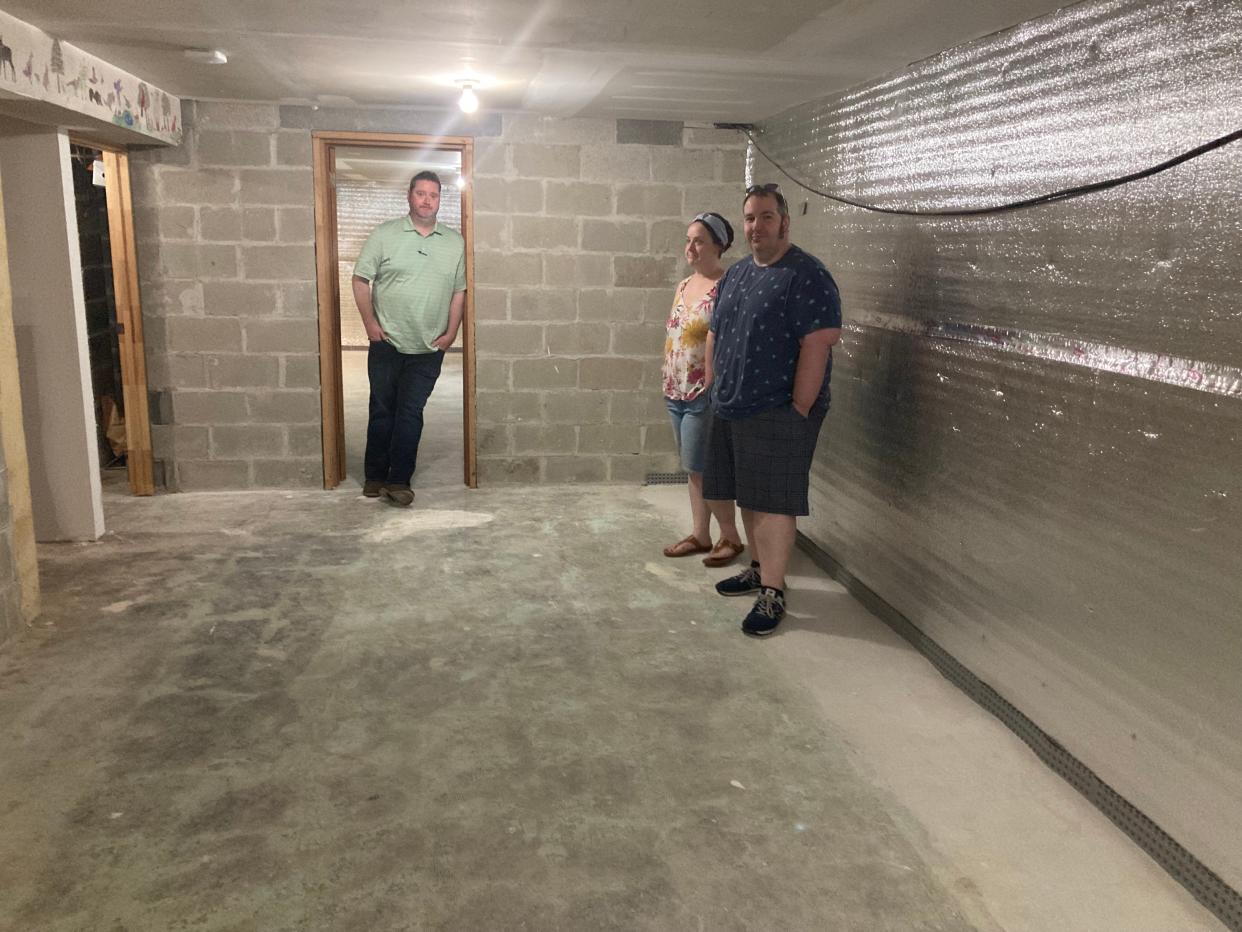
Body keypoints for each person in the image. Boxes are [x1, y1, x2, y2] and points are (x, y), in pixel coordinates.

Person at [703, 184, 842, 636]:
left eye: (765, 216)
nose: (756, 226)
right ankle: (758, 568)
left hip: (778, 409)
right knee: (748, 494)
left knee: (775, 503)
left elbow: (817, 344)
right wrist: (713, 385)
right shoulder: (738, 274)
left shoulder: (807, 275)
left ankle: (774, 590)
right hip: (732, 404)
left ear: (785, 221)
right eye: (749, 218)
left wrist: (798, 409)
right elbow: (715, 332)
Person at [352, 170, 466, 507]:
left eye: (434, 194)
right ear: (409, 196)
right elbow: (361, 280)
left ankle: (399, 479)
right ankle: (375, 475)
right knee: (383, 409)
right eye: (421, 193)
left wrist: (450, 333)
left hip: (429, 347)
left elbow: (459, 292)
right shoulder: (385, 235)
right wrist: (370, 325)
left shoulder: (454, 242)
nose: (427, 200)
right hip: (386, 342)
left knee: (410, 412)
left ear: (440, 200)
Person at [661, 212, 745, 567]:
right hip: (674, 388)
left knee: (706, 468)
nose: (690, 247)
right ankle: (700, 534)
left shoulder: (727, 286)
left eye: (699, 241)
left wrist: (714, 383)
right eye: (688, 240)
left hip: (703, 391)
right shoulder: (683, 285)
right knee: (693, 468)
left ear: (718, 246)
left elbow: (733, 340)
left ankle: (730, 536)